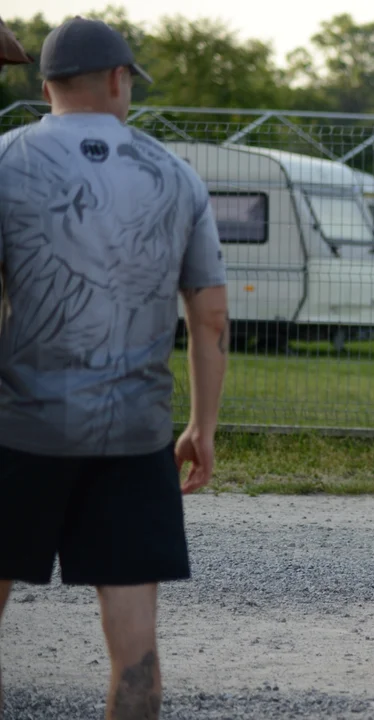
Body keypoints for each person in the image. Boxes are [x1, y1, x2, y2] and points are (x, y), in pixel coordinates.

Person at [0, 17, 228, 719]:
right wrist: (202, 426)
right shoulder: (176, 175)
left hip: (17, 434)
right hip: (133, 437)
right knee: (136, 651)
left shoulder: (5, 158)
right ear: (119, 80)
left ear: (45, 87)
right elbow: (210, 318)